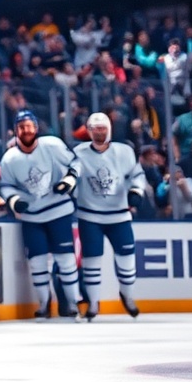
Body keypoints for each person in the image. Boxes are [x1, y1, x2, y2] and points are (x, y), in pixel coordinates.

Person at [0, 110, 83, 321]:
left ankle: (73, 303)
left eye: (29, 126)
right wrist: (14, 200)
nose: (26, 130)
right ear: (15, 130)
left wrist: (70, 180)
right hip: (32, 217)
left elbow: (76, 163)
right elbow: (5, 186)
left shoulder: (52, 145)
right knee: (38, 263)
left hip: (59, 211)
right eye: (21, 127)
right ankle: (44, 304)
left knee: (66, 260)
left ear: (36, 127)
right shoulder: (9, 158)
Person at [57, 112, 144, 319]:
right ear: (89, 131)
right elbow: (72, 174)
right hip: (90, 216)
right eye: (95, 129)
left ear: (109, 129)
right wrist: (70, 188)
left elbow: (137, 174)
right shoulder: (79, 152)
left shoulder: (124, 151)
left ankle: (127, 294)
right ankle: (93, 303)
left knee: (127, 262)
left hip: (119, 216)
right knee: (92, 262)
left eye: (102, 128)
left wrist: (136, 191)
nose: (99, 133)